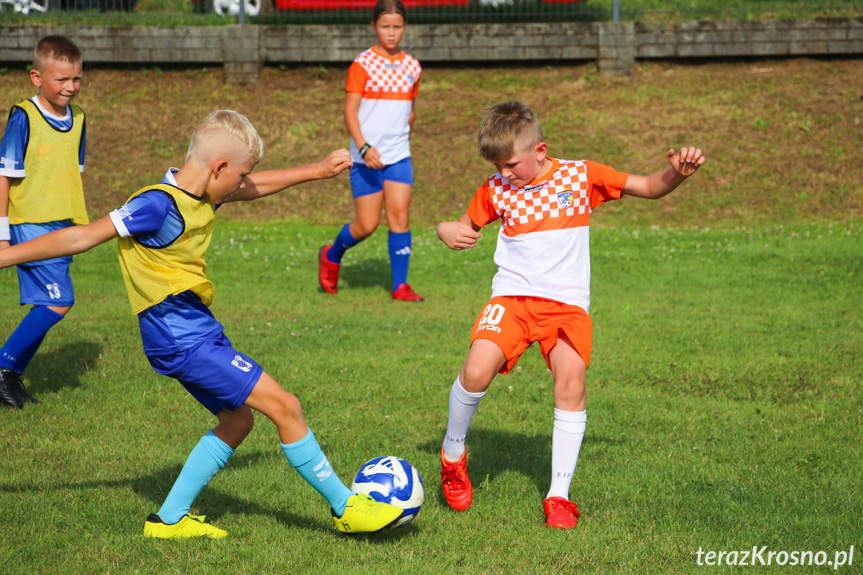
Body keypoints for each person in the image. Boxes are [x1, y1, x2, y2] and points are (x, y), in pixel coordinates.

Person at [0, 110, 404, 538]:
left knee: (238, 422)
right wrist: (4, 254)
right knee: (286, 406)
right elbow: (80, 237)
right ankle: (346, 508)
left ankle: (169, 520)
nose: (243, 184)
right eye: (241, 174)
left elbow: (252, 188)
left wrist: (317, 171)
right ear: (219, 168)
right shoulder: (156, 205)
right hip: (181, 339)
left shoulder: (202, 190)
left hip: (196, 330)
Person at [435, 101, 706, 529]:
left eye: (510, 164)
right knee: (475, 372)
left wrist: (677, 174)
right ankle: (452, 454)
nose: (504, 174)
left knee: (571, 382)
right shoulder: (495, 188)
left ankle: (558, 496)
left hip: (567, 308)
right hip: (512, 300)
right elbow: (460, 224)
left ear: (540, 150)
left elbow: (651, 186)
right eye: (497, 166)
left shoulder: (581, 175)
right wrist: (445, 230)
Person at [0, 35, 87, 408]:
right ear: (36, 77)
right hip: (31, 223)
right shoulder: (24, 116)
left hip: (65, 226)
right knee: (59, 302)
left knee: (49, 303)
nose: (70, 87)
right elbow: (4, 175)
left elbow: (70, 172)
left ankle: (10, 376)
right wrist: (2, 234)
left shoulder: (80, 118)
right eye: (61, 80)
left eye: (77, 79)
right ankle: (3, 367)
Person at [318, 0, 424, 302]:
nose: (392, 33)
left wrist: (402, 140)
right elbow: (350, 111)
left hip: (399, 156)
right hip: (365, 157)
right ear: (374, 27)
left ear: (404, 27)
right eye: (385, 26)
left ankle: (400, 286)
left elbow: (410, 112)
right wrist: (363, 148)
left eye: (397, 26)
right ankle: (332, 254)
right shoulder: (362, 64)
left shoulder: (412, 66)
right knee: (367, 225)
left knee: (400, 216)